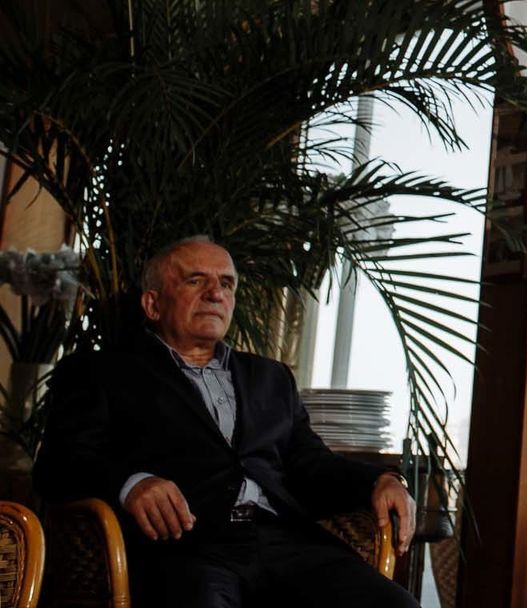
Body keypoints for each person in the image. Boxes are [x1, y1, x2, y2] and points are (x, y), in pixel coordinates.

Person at [35, 236, 418, 607]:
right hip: (186, 546)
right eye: (195, 280)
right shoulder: (101, 371)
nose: (215, 293)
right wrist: (132, 483)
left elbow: (312, 464)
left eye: (226, 283)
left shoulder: (271, 377)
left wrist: (380, 480)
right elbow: (59, 464)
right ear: (153, 304)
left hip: (285, 541)